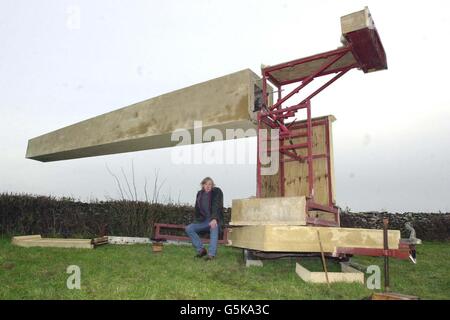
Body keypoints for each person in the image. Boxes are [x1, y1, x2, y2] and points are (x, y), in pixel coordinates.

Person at [185, 177, 224, 260]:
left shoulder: (216, 192)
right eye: (206, 184)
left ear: (213, 186)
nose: (208, 186)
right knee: (189, 228)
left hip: (214, 219)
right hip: (203, 221)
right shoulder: (199, 194)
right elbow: (197, 209)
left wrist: (214, 219)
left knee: (214, 227)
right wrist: (196, 220)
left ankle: (211, 254)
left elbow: (217, 205)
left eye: (210, 184)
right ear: (202, 185)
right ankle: (201, 250)